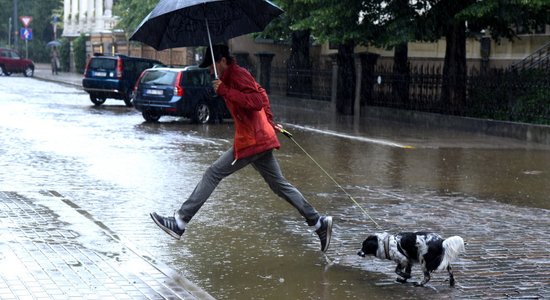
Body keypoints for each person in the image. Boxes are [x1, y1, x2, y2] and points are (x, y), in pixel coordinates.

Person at [150, 44, 333, 252]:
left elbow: (256, 100)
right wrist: (268, 122)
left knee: (213, 173)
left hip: (252, 141)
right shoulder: (229, 78)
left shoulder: (238, 75)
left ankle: (180, 222)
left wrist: (228, 92)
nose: (209, 71)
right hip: (258, 138)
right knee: (279, 185)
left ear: (222, 61)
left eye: (211, 66)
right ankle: (319, 223)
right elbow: (261, 94)